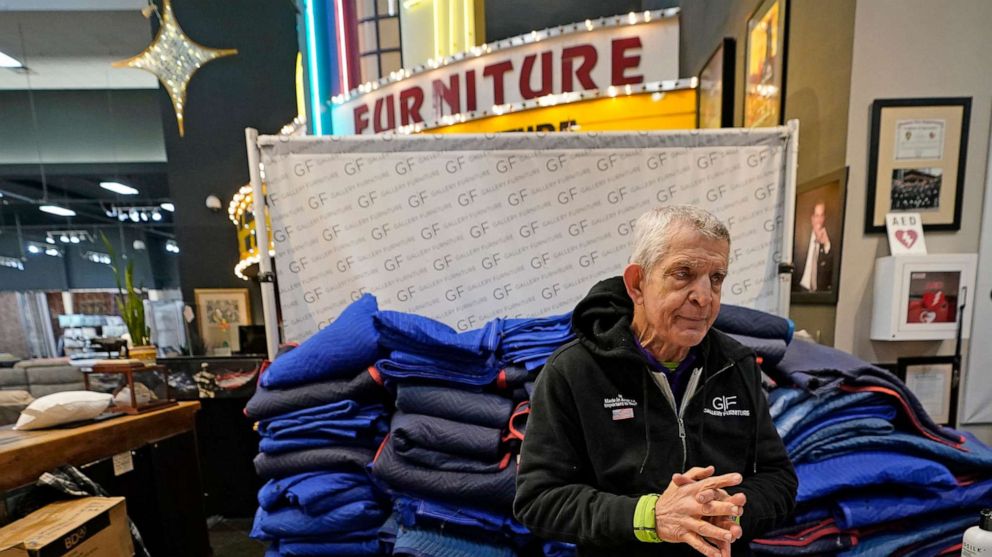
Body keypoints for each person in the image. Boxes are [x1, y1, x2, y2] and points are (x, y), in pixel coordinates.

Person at [514, 206, 797, 557]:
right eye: (683, 273)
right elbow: (538, 499)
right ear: (637, 283)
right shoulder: (573, 371)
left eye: (716, 278)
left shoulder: (736, 365)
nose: (704, 296)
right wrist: (651, 517)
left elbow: (779, 479)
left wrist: (733, 507)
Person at [796, 201, 833, 292]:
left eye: (821, 216)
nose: (819, 220)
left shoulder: (829, 237)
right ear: (812, 218)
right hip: (801, 287)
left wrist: (826, 244)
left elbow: (829, 272)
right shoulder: (802, 236)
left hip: (818, 292)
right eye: (817, 216)